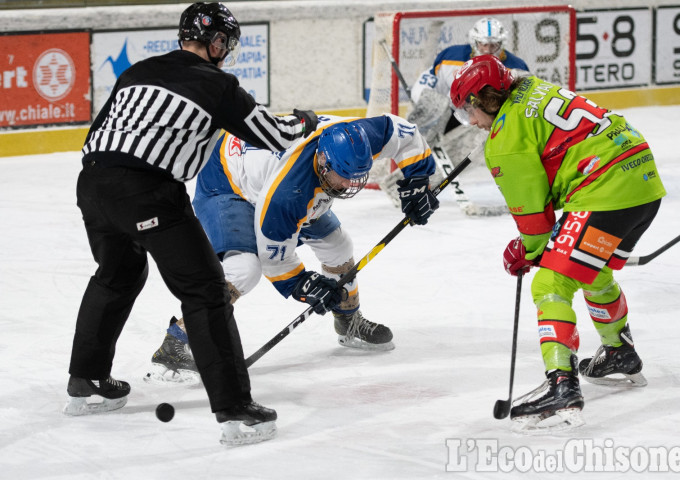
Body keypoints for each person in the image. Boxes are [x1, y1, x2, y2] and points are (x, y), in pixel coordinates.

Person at [64, 2, 320, 446]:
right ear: (217, 42)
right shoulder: (216, 84)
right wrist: (305, 123)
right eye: (225, 43)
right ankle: (236, 411)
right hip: (147, 191)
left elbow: (101, 132)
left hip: (92, 185)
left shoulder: (138, 70)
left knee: (117, 275)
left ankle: (85, 382)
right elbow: (276, 136)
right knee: (205, 291)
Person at [450, 55, 666, 433]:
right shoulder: (532, 87)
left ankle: (560, 386)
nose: (470, 121)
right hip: (642, 180)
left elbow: (535, 225)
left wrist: (526, 251)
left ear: (485, 98)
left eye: (470, 108)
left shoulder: (504, 139)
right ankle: (619, 351)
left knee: (550, 282)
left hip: (604, 190)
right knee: (587, 267)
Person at [144, 114, 439, 384]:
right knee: (244, 269)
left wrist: (418, 182)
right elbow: (275, 260)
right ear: (323, 162)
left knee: (338, 245)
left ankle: (348, 322)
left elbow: (405, 133)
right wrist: (305, 285)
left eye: (357, 177)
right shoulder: (288, 194)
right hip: (227, 184)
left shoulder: (356, 138)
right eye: (343, 177)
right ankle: (176, 341)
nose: (350, 184)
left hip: (273, 173)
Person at [408, 17, 529, 150]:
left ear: (501, 44)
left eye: (493, 45)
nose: (488, 50)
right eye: (483, 44)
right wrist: (429, 112)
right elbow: (426, 86)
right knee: (434, 102)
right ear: (474, 42)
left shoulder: (517, 68)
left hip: (486, 121)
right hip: (453, 113)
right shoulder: (451, 57)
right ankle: (414, 145)